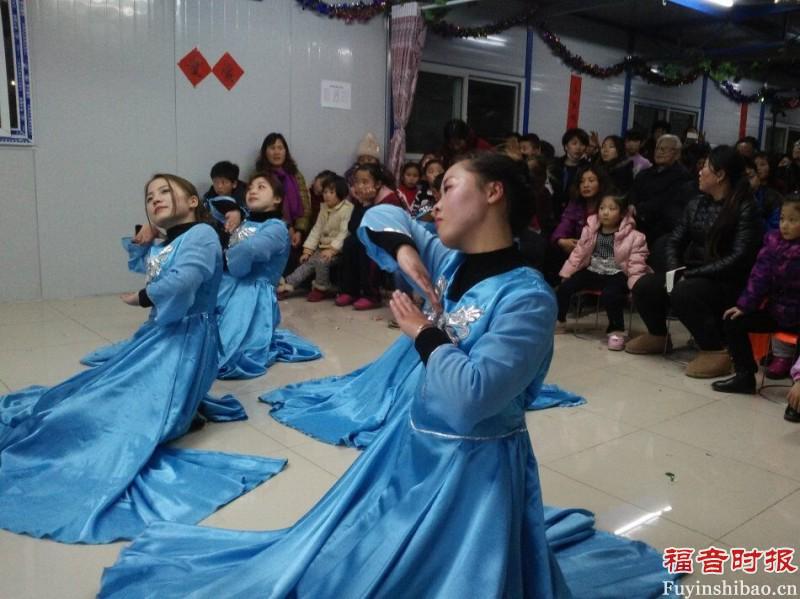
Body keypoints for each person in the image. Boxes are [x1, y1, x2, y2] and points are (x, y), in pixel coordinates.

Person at [98, 154, 672, 599]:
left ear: (494, 193)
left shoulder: (528, 297)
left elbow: (472, 397)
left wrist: (424, 332)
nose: (436, 203)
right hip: (410, 445)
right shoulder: (449, 260)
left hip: (472, 473)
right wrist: (405, 253)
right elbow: (379, 215)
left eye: (449, 188)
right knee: (344, 556)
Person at [0, 174, 286, 544]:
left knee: (114, 412)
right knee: (84, 393)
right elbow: (155, 267)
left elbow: (185, 281)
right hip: (161, 336)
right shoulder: (171, 240)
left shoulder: (200, 235)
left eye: (165, 192)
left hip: (183, 343)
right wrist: (149, 240)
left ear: (194, 201)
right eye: (149, 197)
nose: (155, 199)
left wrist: (145, 296)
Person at [626, 146, 762, 378]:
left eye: (706, 168)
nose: (699, 172)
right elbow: (675, 240)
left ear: (720, 175)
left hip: (726, 279)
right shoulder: (697, 203)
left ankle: (715, 350)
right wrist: (674, 269)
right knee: (644, 286)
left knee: (683, 291)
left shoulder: (745, 208)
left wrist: (696, 274)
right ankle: (659, 335)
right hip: (692, 273)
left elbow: (740, 256)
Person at [216, 172, 321, 380]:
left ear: (277, 198)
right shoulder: (245, 221)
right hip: (229, 287)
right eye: (251, 188)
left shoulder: (276, 228)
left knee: (227, 352)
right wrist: (236, 210)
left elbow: (252, 250)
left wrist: (222, 258)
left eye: (261, 187)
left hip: (250, 297)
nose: (253, 190)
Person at [712, 195, 800, 396]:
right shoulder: (773, 243)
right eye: (782, 219)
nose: (785, 225)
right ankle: (744, 376)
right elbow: (759, 277)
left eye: (793, 220)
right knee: (733, 320)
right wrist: (744, 305)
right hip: (777, 311)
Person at [556, 194, 651, 347]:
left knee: (611, 295)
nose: (605, 212)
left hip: (617, 272)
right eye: (602, 208)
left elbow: (636, 265)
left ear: (622, 213)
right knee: (565, 287)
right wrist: (567, 273)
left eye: (612, 209)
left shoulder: (635, 237)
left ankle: (617, 330)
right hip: (594, 270)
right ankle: (559, 320)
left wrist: (635, 287)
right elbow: (578, 254)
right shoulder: (590, 230)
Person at [335, 163, 406, 310]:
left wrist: (368, 206)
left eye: (365, 182)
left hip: (392, 241)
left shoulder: (389, 199)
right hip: (372, 235)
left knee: (367, 245)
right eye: (357, 182)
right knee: (350, 242)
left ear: (378, 183)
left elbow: (378, 229)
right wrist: (364, 204)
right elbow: (353, 227)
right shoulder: (361, 198)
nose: (360, 186)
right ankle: (349, 290)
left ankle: (371, 295)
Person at [279, 175, 353, 302]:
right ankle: (288, 284)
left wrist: (332, 249)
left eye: (331, 192)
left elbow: (344, 232)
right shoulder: (324, 208)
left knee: (321, 261)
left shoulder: (347, 209)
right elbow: (317, 230)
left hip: (339, 250)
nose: (327, 195)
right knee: (307, 263)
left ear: (341, 193)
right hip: (322, 247)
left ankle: (321, 288)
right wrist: (308, 250)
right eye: (325, 192)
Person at [627, 134, 693, 272]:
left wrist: (640, 208)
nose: (659, 152)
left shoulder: (683, 175)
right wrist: (632, 204)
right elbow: (633, 191)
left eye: (664, 149)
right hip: (637, 221)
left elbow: (668, 201)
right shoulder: (646, 173)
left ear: (676, 153)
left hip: (661, 227)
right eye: (657, 148)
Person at [256, 133, 312, 271]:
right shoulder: (259, 176)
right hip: (271, 227)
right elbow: (261, 208)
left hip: (297, 230)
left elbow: (305, 207)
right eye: (272, 148)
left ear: (285, 151)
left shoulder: (295, 175)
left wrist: (299, 230)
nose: (276, 152)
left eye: (280, 148)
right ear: (265, 152)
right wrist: (286, 227)